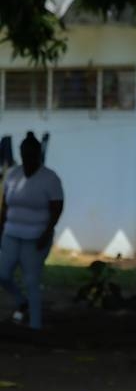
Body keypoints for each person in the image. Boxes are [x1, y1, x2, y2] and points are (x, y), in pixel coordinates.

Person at [0, 132, 63, 330]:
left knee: (31, 279)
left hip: (35, 236)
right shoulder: (13, 175)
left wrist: (46, 233)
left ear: (37, 154)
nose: (27, 158)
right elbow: (5, 206)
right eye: (24, 154)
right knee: (2, 274)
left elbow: (56, 208)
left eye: (31, 154)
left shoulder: (49, 178)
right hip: (11, 233)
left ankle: (36, 325)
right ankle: (21, 301)